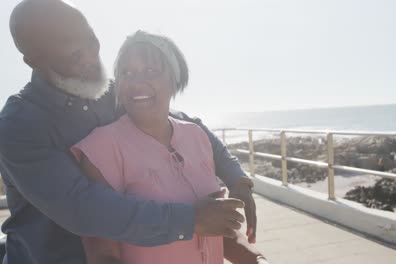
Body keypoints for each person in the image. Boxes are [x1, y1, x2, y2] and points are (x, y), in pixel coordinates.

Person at [0, 0, 260, 263]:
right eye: (75, 55)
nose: (91, 57)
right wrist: (191, 220)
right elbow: (82, 207)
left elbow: (186, 124)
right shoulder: (19, 124)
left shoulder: (114, 92)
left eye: (92, 41)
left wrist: (237, 179)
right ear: (34, 61)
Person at [70, 30, 259, 264]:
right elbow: (103, 256)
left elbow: (215, 226)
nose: (136, 82)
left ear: (174, 79)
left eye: (150, 71)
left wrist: (256, 259)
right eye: (126, 73)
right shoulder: (101, 149)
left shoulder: (197, 136)